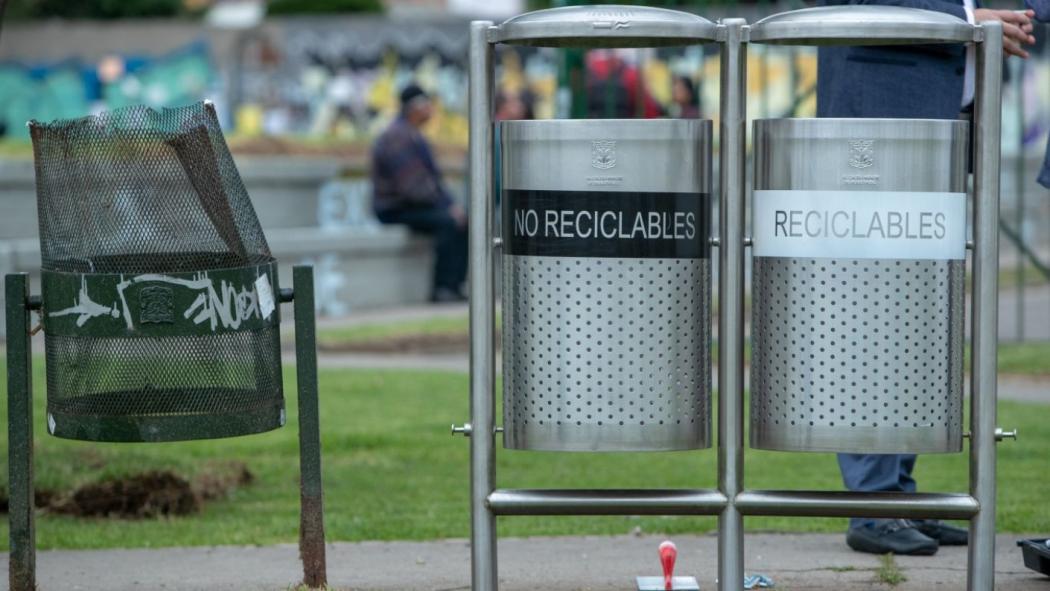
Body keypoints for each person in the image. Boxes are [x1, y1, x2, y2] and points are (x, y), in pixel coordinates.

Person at [817, 0, 1035, 556]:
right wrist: (969, 16)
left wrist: (1017, 12)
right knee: (873, 316)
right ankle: (872, 503)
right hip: (879, 117)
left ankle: (899, 495)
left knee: (919, 317)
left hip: (941, 120)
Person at [371, 84, 468, 303]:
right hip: (394, 209)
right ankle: (442, 288)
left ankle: (454, 285)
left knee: (462, 220)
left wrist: (450, 205)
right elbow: (413, 188)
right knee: (449, 223)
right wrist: (447, 208)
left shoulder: (410, 134)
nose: (432, 110)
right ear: (415, 108)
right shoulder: (397, 137)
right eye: (428, 105)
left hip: (410, 205)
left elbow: (428, 184)